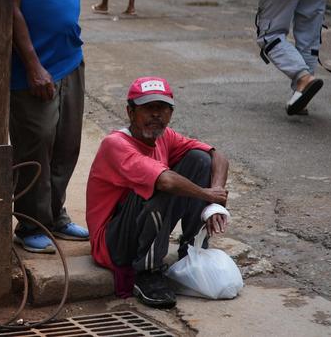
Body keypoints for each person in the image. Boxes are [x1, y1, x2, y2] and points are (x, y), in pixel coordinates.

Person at [86, 77, 230, 309]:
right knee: (157, 186)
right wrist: (208, 195)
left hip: (140, 226)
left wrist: (216, 199)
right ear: (130, 112)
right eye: (148, 108)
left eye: (162, 109)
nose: (156, 115)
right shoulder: (115, 144)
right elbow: (165, 181)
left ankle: (193, 249)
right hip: (113, 243)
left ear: (171, 113)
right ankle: (148, 273)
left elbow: (217, 156)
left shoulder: (164, 136)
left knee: (200, 160)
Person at [10, 0, 89, 254]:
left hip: (69, 57)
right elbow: (12, 8)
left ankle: (55, 214)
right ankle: (29, 223)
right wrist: (33, 65)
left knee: (66, 143)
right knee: (34, 143)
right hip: (35, 67)